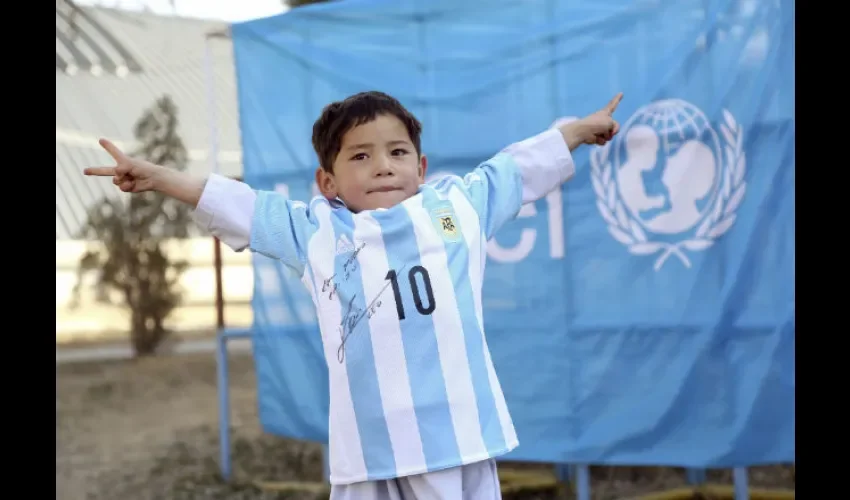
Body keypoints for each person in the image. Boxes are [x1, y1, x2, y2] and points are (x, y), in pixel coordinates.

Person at [84, 90, 623, 500]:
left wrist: (578, 130)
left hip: (454, 438)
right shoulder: (315, 232)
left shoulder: (457, 208)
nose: (383, 164)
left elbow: (517, 169)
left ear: (421, 166)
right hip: (367, 448)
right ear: (329, 181)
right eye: (360, 156)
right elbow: (240, 204)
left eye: (397, 151)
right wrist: (157, 177)